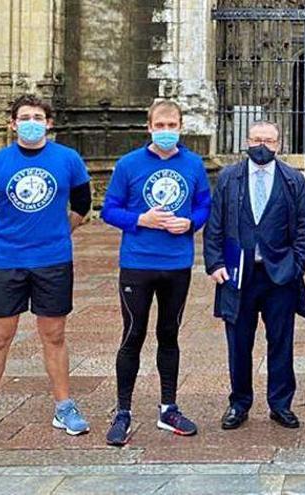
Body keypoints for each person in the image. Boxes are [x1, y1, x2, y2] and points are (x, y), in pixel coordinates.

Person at [0, 94, 92, 449]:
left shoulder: (68, 159)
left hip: (53, 260)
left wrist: (56, 233)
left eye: (38, 116)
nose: (31, 121)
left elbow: (82, 204)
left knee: (54, 335)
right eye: (25, 116)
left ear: (49, 123)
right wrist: (5, 238)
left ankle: (64, 406)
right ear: (13, 124)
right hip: (7, 262)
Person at [100, 100, 211, 446]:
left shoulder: (193, 164)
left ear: (181, 126)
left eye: (172, 125)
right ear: (149, 127)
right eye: (160, 125)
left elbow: (204, 204)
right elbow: (108, 210)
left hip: (177, 264)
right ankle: (123, 411)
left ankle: (168, 407)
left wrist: (191, 222)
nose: (166, 131)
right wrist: (139, 220)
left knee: (169, 334)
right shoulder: (128, 164)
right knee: (133, 334)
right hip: (137, 263)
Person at [204, 120, 305, 430]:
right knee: (238, 342)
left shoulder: (293, 180)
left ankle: (280, 405)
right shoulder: (228, 178)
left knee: (281, 341)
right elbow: (215, 225)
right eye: (256, 139)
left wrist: (297, 265)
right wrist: (214, 264)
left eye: (268, 140)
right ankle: (239, 404)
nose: (262, 145)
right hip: (238, 274)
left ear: (279, 144)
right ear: (246, 141)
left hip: (280, 275)